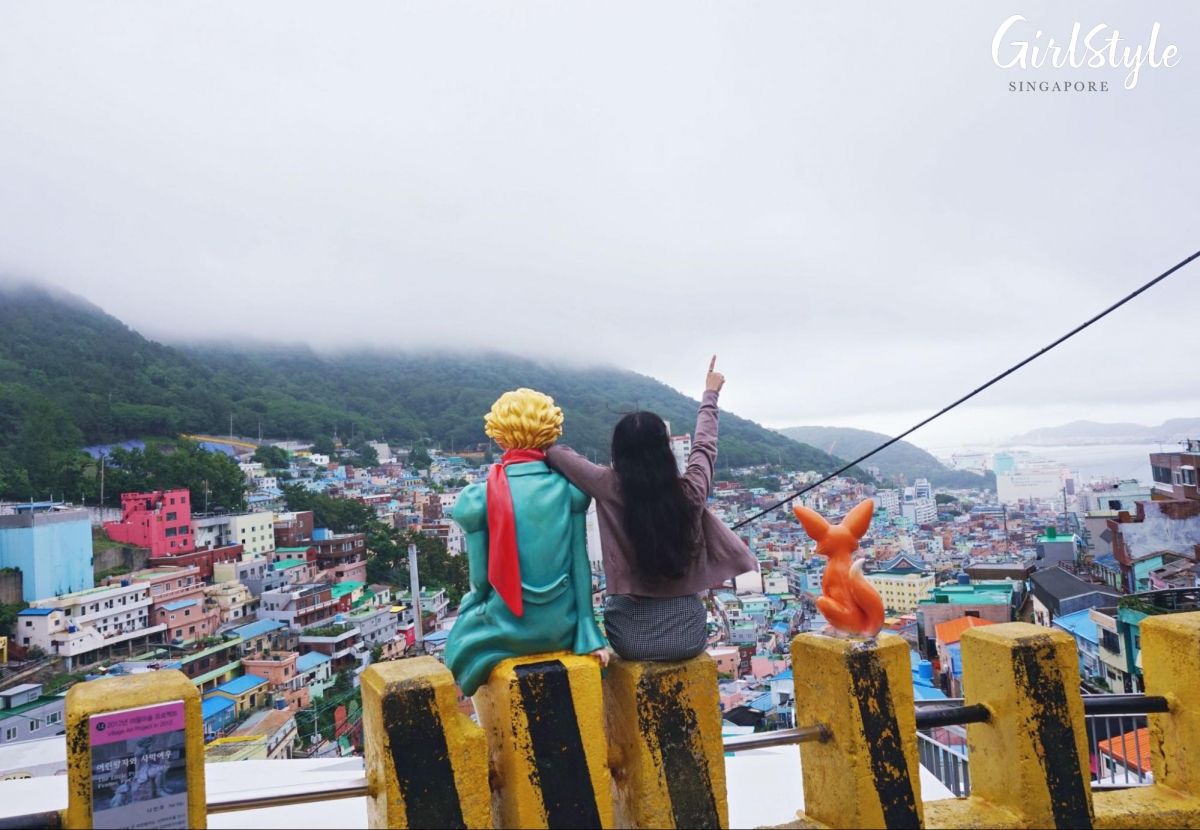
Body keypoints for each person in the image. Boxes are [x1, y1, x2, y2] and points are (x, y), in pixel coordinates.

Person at [546, 356, 758, 661]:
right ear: (666, 448)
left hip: (630, 640)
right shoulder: (691, 490)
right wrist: (710, 394)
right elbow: (704, 446)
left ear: (618, 450)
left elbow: (557, 453)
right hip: (688, 638)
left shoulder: (607, 485)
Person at [444, 388, 608, 697]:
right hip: (563, 626)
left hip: (509, 628)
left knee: (458, 642)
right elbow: (580, 564)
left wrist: (473, 604)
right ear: (550, 434)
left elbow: (479, 583)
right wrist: (587, 628)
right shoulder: (569, 491)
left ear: (499, 437)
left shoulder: (478, 498)